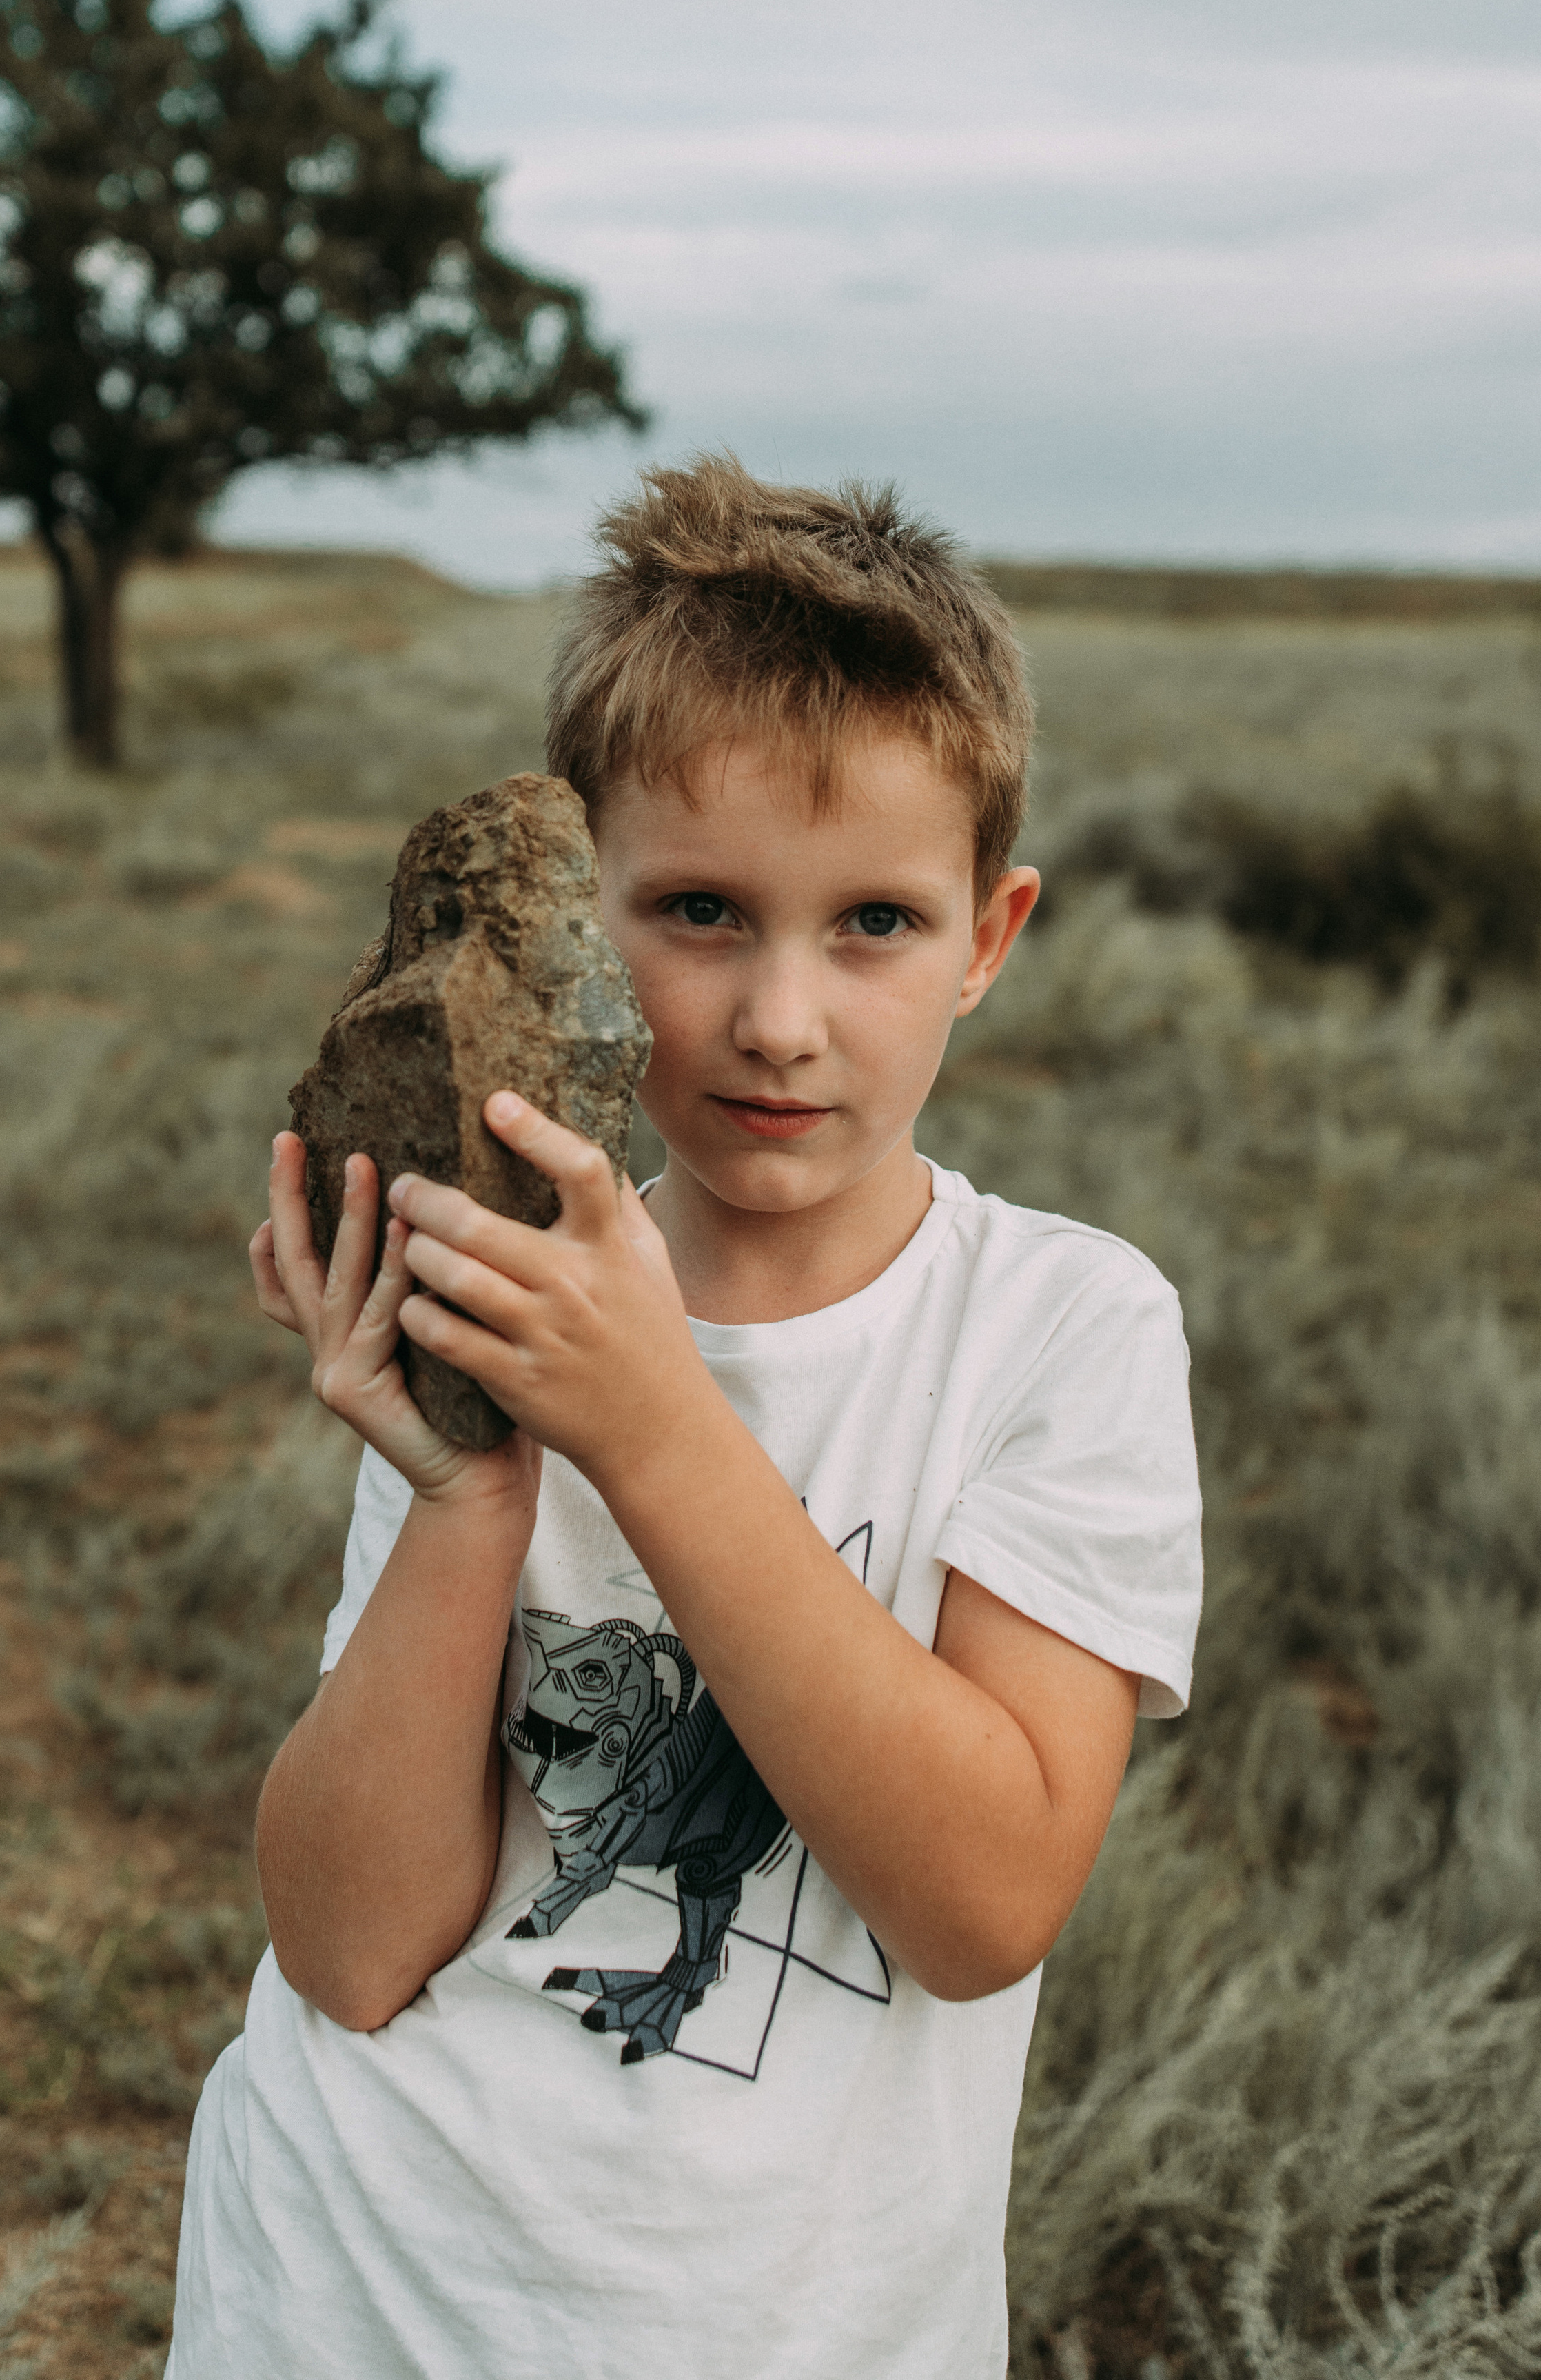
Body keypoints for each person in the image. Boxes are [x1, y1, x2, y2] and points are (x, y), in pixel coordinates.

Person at [165, 456, 1203, 2379]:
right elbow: (350, 1949)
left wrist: (648, 1433)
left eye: (875, 923)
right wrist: (476, 1488)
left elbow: (984, 1901)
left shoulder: (1060, 1329)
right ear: (579, 921)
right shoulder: (516, 1289)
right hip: (350, 2296)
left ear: (993, 933)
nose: (778, 1018)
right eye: (702, 910)